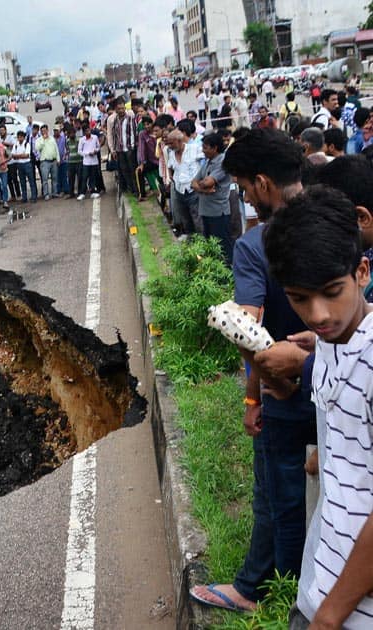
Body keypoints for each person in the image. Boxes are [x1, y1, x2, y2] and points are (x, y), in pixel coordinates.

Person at [189, 128, 312, 614]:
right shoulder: (338, 217)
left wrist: (254, 398)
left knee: (278, 499)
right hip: (335, 380)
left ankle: (274, 599)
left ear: (261, 183)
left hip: (284, 392)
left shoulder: (256, 243)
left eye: (242, 187)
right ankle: (272, 584)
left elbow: (250, 330)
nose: (243, 197)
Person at [260, 186, 373, 629]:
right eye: (299, 298)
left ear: (362, 271)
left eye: (331, 291)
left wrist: (327, 618)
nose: (319, 314)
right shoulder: (330, 342)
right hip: (320, 582)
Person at [191, 133, 234, 264]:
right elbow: (194, 182)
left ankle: (228, 274)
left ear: (215, 148)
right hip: (206, 211)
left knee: (223, 247)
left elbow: (207, 182)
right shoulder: (208, 162)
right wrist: (204, 190)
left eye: (205, 147)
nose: (203, 150)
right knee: (211, 245)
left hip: (218, 212)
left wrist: (201, 186)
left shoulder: (222, 161)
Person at [78, 126, 101, 200]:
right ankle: (82, 193)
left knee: (93, 176)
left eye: (89, 130)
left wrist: (95, 151)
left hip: (94, 161)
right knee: (84, 177)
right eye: (87, 131)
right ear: (84, 132)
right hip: (86, 162)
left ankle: (93, 191)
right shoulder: (82, 140)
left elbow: (98, 147)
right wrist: (87, 153)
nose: (88, 132)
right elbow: (79, 151)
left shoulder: (95, 137)